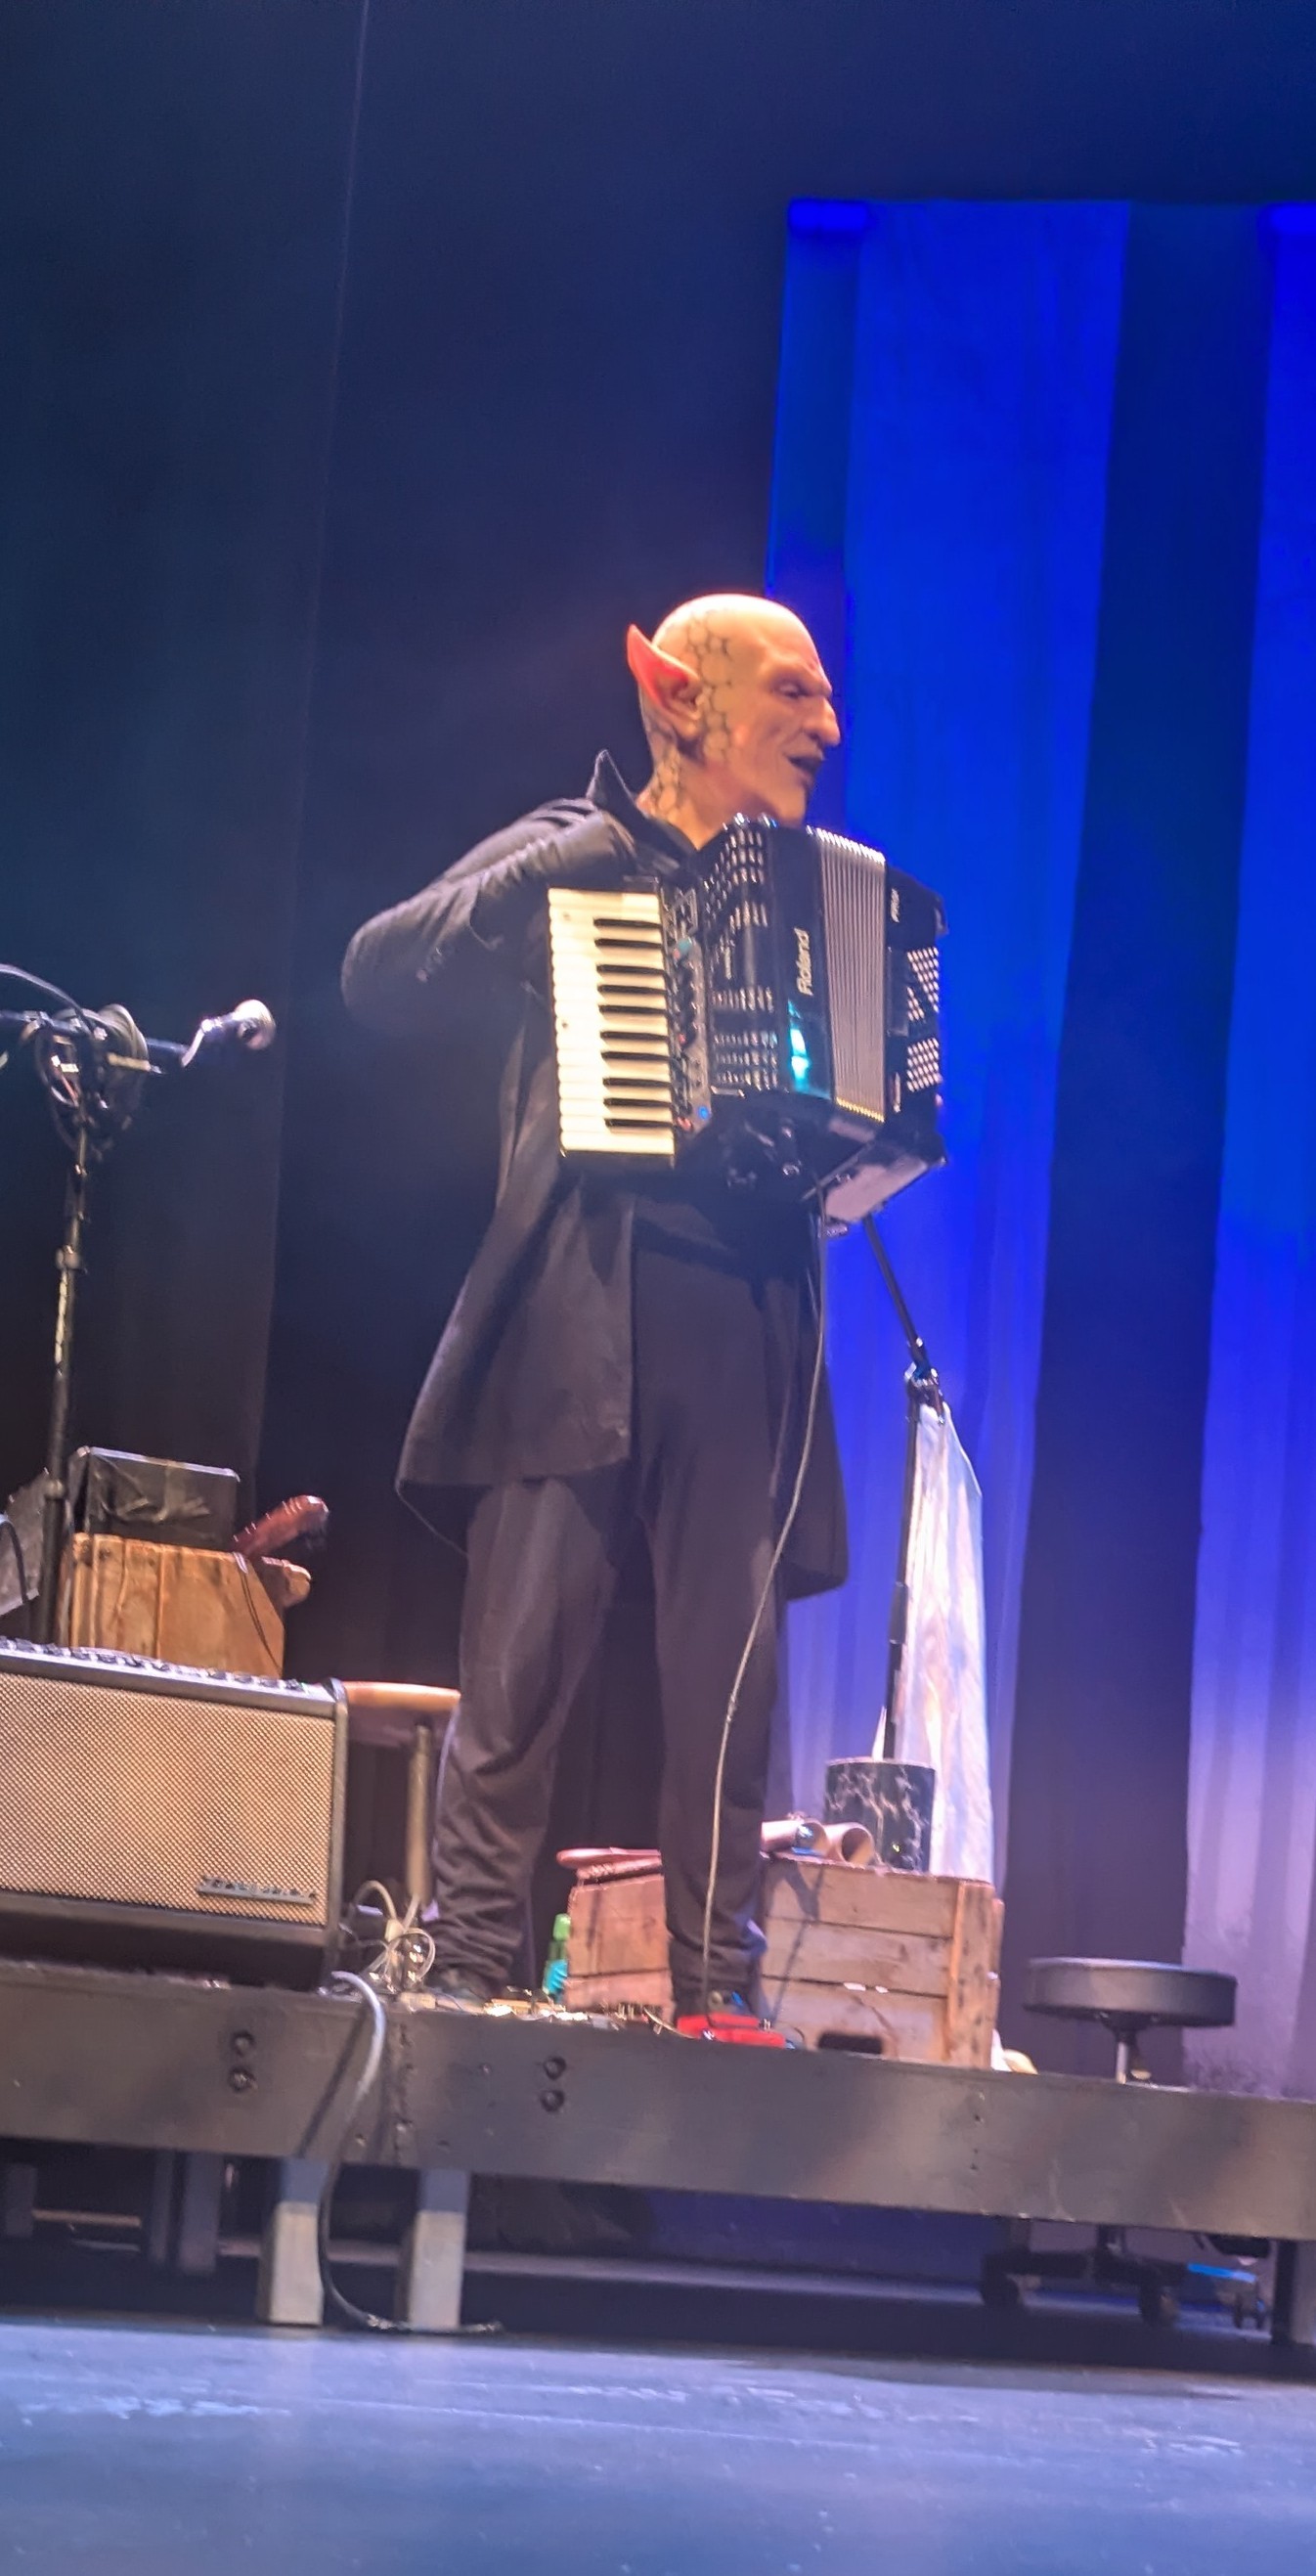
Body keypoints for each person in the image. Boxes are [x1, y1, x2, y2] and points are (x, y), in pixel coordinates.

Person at [342, 594, 848, 2030]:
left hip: (746, 1314)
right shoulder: (577, 846)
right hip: (584, 1305)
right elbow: (379, 969)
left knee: (726, 1688)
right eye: (797, 693)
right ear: (683, 700)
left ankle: (714, 1984)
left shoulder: (808, 893)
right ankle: (463, 1965)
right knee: (521, 1663)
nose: (829, 724)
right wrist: (574, 860)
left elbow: (853, 1100)